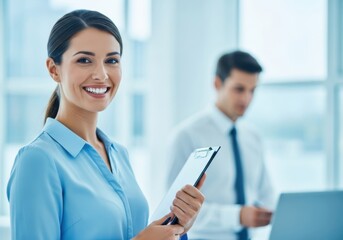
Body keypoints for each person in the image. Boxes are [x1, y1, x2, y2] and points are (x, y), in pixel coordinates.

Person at [6, 9, 205, 240]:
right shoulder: (37, 160)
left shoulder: (119, 154)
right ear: (53, 69)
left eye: (111, 60)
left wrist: (177, 227)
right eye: (84, 60)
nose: (101, 74)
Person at [166, 50, 275, 240]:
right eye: (239, 89)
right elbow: (173, 209)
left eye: (252, 90)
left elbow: (267, 195)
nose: (246, 99)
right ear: (217, 83)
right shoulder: (187, 136)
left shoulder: (254, 138)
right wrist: (237, 216)